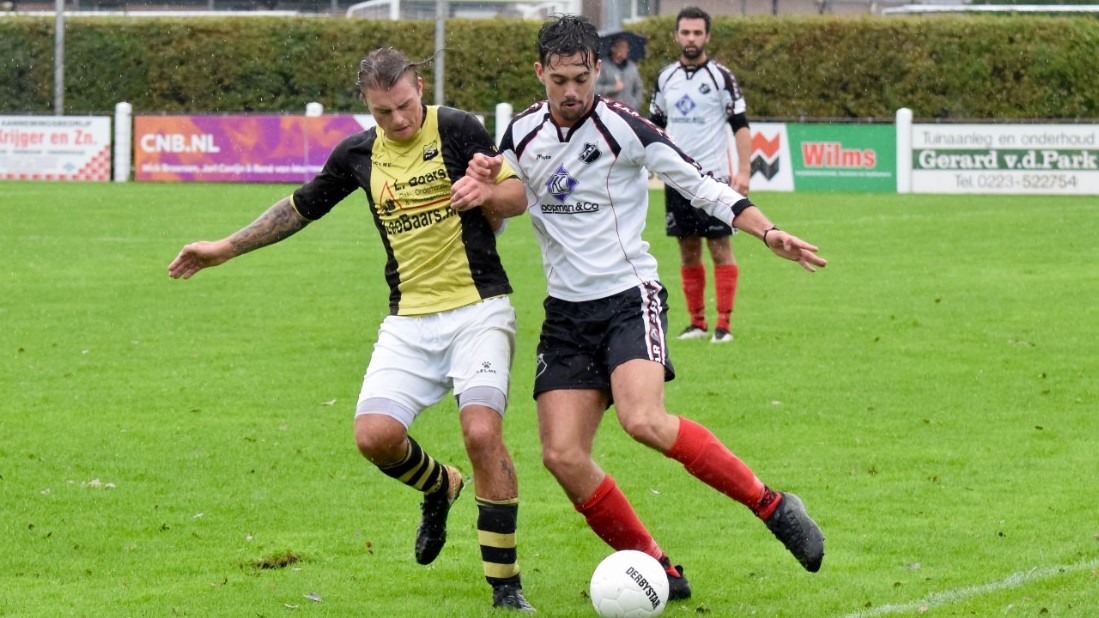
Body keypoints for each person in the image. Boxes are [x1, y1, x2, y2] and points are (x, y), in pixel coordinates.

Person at [465, 15, 826, 604]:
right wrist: (484, 190)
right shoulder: (518, 134)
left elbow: (703, 183)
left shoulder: (625, 128)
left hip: (629, 300)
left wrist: (768, 231)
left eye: (583, 78)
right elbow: (501, 214)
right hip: (565, 316)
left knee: (643, 420)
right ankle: (657, 564)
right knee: (561, 455)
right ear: (541, 73)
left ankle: (773, 505)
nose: (572, 91)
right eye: (560, 80)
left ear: (598, 71)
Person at [166, 48, 535, 612]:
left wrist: (487, 191)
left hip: (478, 309)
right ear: (367, 104)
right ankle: (440, 488)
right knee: (374, 438)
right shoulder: (359, 153)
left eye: (405, 106)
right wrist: (224, 248)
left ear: (419, 86)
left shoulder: (459, 128)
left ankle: (505, 587)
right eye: (383, 112)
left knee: (482, 433)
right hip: (408, 320)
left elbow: (516, 194)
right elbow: (301, 206)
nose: (398, 121)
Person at [650, 6, 752, 343]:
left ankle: (724, 325)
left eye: (697, 33)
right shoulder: (665, 78)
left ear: (707, 36)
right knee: (687, 249)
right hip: (677, 179)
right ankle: (698, 322)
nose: (691, 39)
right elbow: (655, 128)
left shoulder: (721, 77)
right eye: (685, 32)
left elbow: (740, 125)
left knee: (720, 246)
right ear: (676, 36)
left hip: (714, 179)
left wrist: (744, 170)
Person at [594, 34, 644, 111]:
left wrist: (635, 105)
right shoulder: (603, 66)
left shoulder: (632, 67)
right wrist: (613, 88)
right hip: (609, 113)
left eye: (627, 47)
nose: (627, 50)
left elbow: (639, 88)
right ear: (613, 48)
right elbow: (594, 89)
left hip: (629, 114)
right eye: (623, 47)